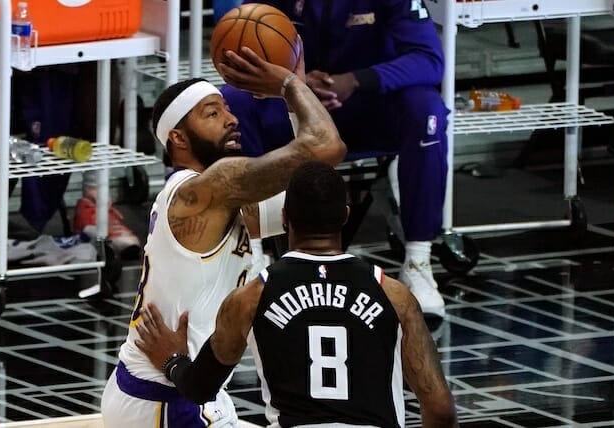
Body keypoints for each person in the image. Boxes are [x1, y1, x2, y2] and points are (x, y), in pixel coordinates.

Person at [100, 43, 346, 427]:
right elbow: (325, 147)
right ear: (179, 138)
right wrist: (287, 84)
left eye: (228, 109)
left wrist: (293, 96)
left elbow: (317, 184)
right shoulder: (202, 192)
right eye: (212, 113)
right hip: (168, 401)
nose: (231, 119)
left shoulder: (217, 199)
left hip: (186, 390)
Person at [134, 160, 459, 427]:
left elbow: (199, 389)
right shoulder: (394, 294)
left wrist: (173, 361)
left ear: (285, 218)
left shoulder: (250, 297)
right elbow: (441, 410)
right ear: (345, 216)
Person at [220, 0, 449, 317]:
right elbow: (242, 55)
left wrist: (356, 80)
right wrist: (294, 85)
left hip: (368, 105)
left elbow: (429, 60)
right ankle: (250, 255)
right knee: (233, 100)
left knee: (426, 110)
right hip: (292, 101)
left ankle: (418, 261)